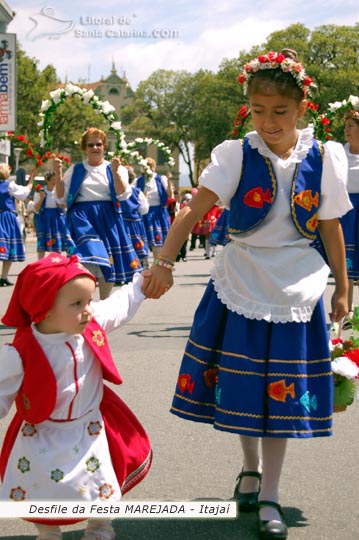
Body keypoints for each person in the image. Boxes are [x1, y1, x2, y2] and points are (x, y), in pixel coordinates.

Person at [142, 49, 351, 540]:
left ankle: (272, 495)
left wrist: (343, 285)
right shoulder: (236, 154)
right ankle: (250, 466)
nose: (269, 121)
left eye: (280, 111)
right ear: (249, 108)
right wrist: (164, 263)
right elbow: (192, 213)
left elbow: (330, 225)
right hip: (242, 279)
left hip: (297, 284)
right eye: (259, 110)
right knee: (243, 385)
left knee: (282, 390)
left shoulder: (323, 157)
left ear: (302, 108)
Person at [0, 254, 153, 540]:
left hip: (90, 426)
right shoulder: (19, 353)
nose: (87, 310)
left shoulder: (90, 325)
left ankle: (100, 525)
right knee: (40, 483)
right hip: (43, 431)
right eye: (77, 304)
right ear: (43, 310)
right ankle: (48, 531)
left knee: (101, 478)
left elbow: (119, 306)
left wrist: (140, 285)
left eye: (89, 301)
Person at [54, 128, 141, 300]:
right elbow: (60, 198)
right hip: (82, 219)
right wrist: (58, 174)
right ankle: (86, 300)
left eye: (99, 144)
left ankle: (104, 302)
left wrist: (115, 172)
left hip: (107, 216)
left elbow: (123, 194)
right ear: (84, 148)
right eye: (91, 145)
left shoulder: (114, 167)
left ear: (104, 147)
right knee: (88, 257)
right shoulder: (76, 169)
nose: (95, 148)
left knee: (107, 259)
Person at [339, 108, 359, 326]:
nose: (346, 130)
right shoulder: (341, 154)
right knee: (347, 262)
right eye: (345, 127)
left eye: (351, 126)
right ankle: (348, 311)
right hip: (347, 211)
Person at [0, 163, 33, 286]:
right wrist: (31, 181)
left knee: (4, 246)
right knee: (7, 247)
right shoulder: (10, 185)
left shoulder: (10, 185)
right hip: (7, 218)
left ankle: (3, 278)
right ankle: (3, 277)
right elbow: (24, 193)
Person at [133, 157, 172, 260]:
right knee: (142, 242)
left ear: (154, 167)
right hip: (144, 213)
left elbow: (170, 195)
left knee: (157, 244)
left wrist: (169, 181)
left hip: (158, 213)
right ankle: (145, 267)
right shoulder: (138, 180)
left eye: (151, 166)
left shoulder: (160, 179)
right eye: (146, 166)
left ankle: (157, 266)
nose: (149, 168)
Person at [28, 171, 67, 259]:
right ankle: (41, 263)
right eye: (53, 180)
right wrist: (42, 198)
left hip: (56, 217)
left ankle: (58, 262)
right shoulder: (40, 191)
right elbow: (36, 209)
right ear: (47, 180)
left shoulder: (59, 191)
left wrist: (62, 206)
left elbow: (64, 207)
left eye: (55, 180)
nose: (54, 182)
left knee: (57, 241)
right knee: (42, 241)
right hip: (43, 217)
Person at [121, 166, 150, 270]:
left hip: (120, 223)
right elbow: (144, 209)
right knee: (137, 247)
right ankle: (139, 269)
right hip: (134, 224)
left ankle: (123, 270)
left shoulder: (114, 191)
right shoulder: (137, 191)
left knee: (123, 247)